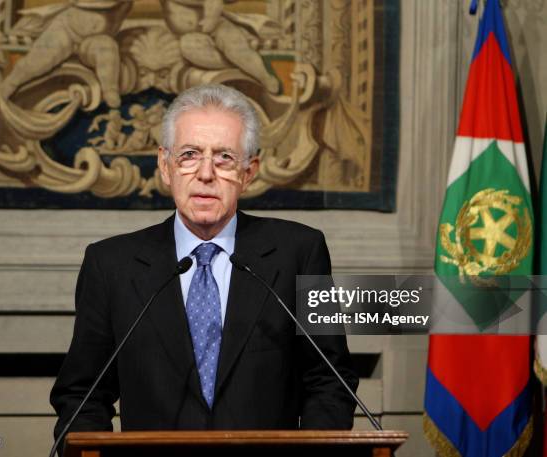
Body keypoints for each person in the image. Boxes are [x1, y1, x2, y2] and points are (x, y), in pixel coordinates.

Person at [50, 84, 358, 453]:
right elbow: (82, 394)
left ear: (249, 171)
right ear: (165, 166)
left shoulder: (299, 252)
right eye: (190, 154)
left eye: (225, 157)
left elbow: (330, 381)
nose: (206, 173)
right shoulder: (110, 264)